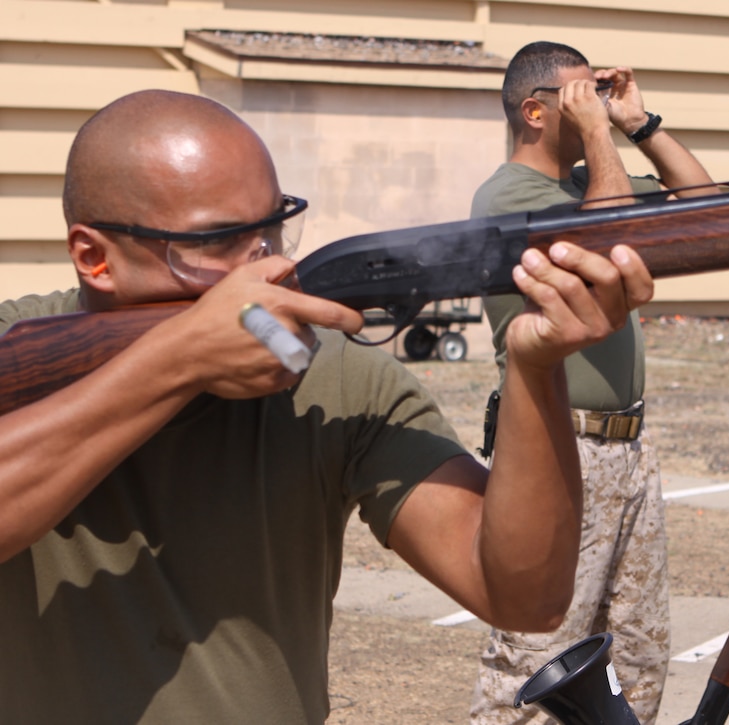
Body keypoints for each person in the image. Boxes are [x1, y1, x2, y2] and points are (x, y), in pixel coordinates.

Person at [0, 89, 655, 722]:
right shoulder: (18, 351)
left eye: (272, 229)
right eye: (218, 241)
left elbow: (524, 596)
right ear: (95, 258)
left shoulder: (334, 377)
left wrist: (536, 367)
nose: (266, 267)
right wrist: (177, 360)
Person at [468, 41, 717, 724]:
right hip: (559, 447)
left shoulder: (584, 187)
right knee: (532, 658)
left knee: (635, 654)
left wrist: (639, 123)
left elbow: (705, 208)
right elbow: (604, 240)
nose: (595, 108)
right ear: (535, 112)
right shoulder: (508, 196)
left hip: (626, 448)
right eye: (581, 96)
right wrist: (603, 138)